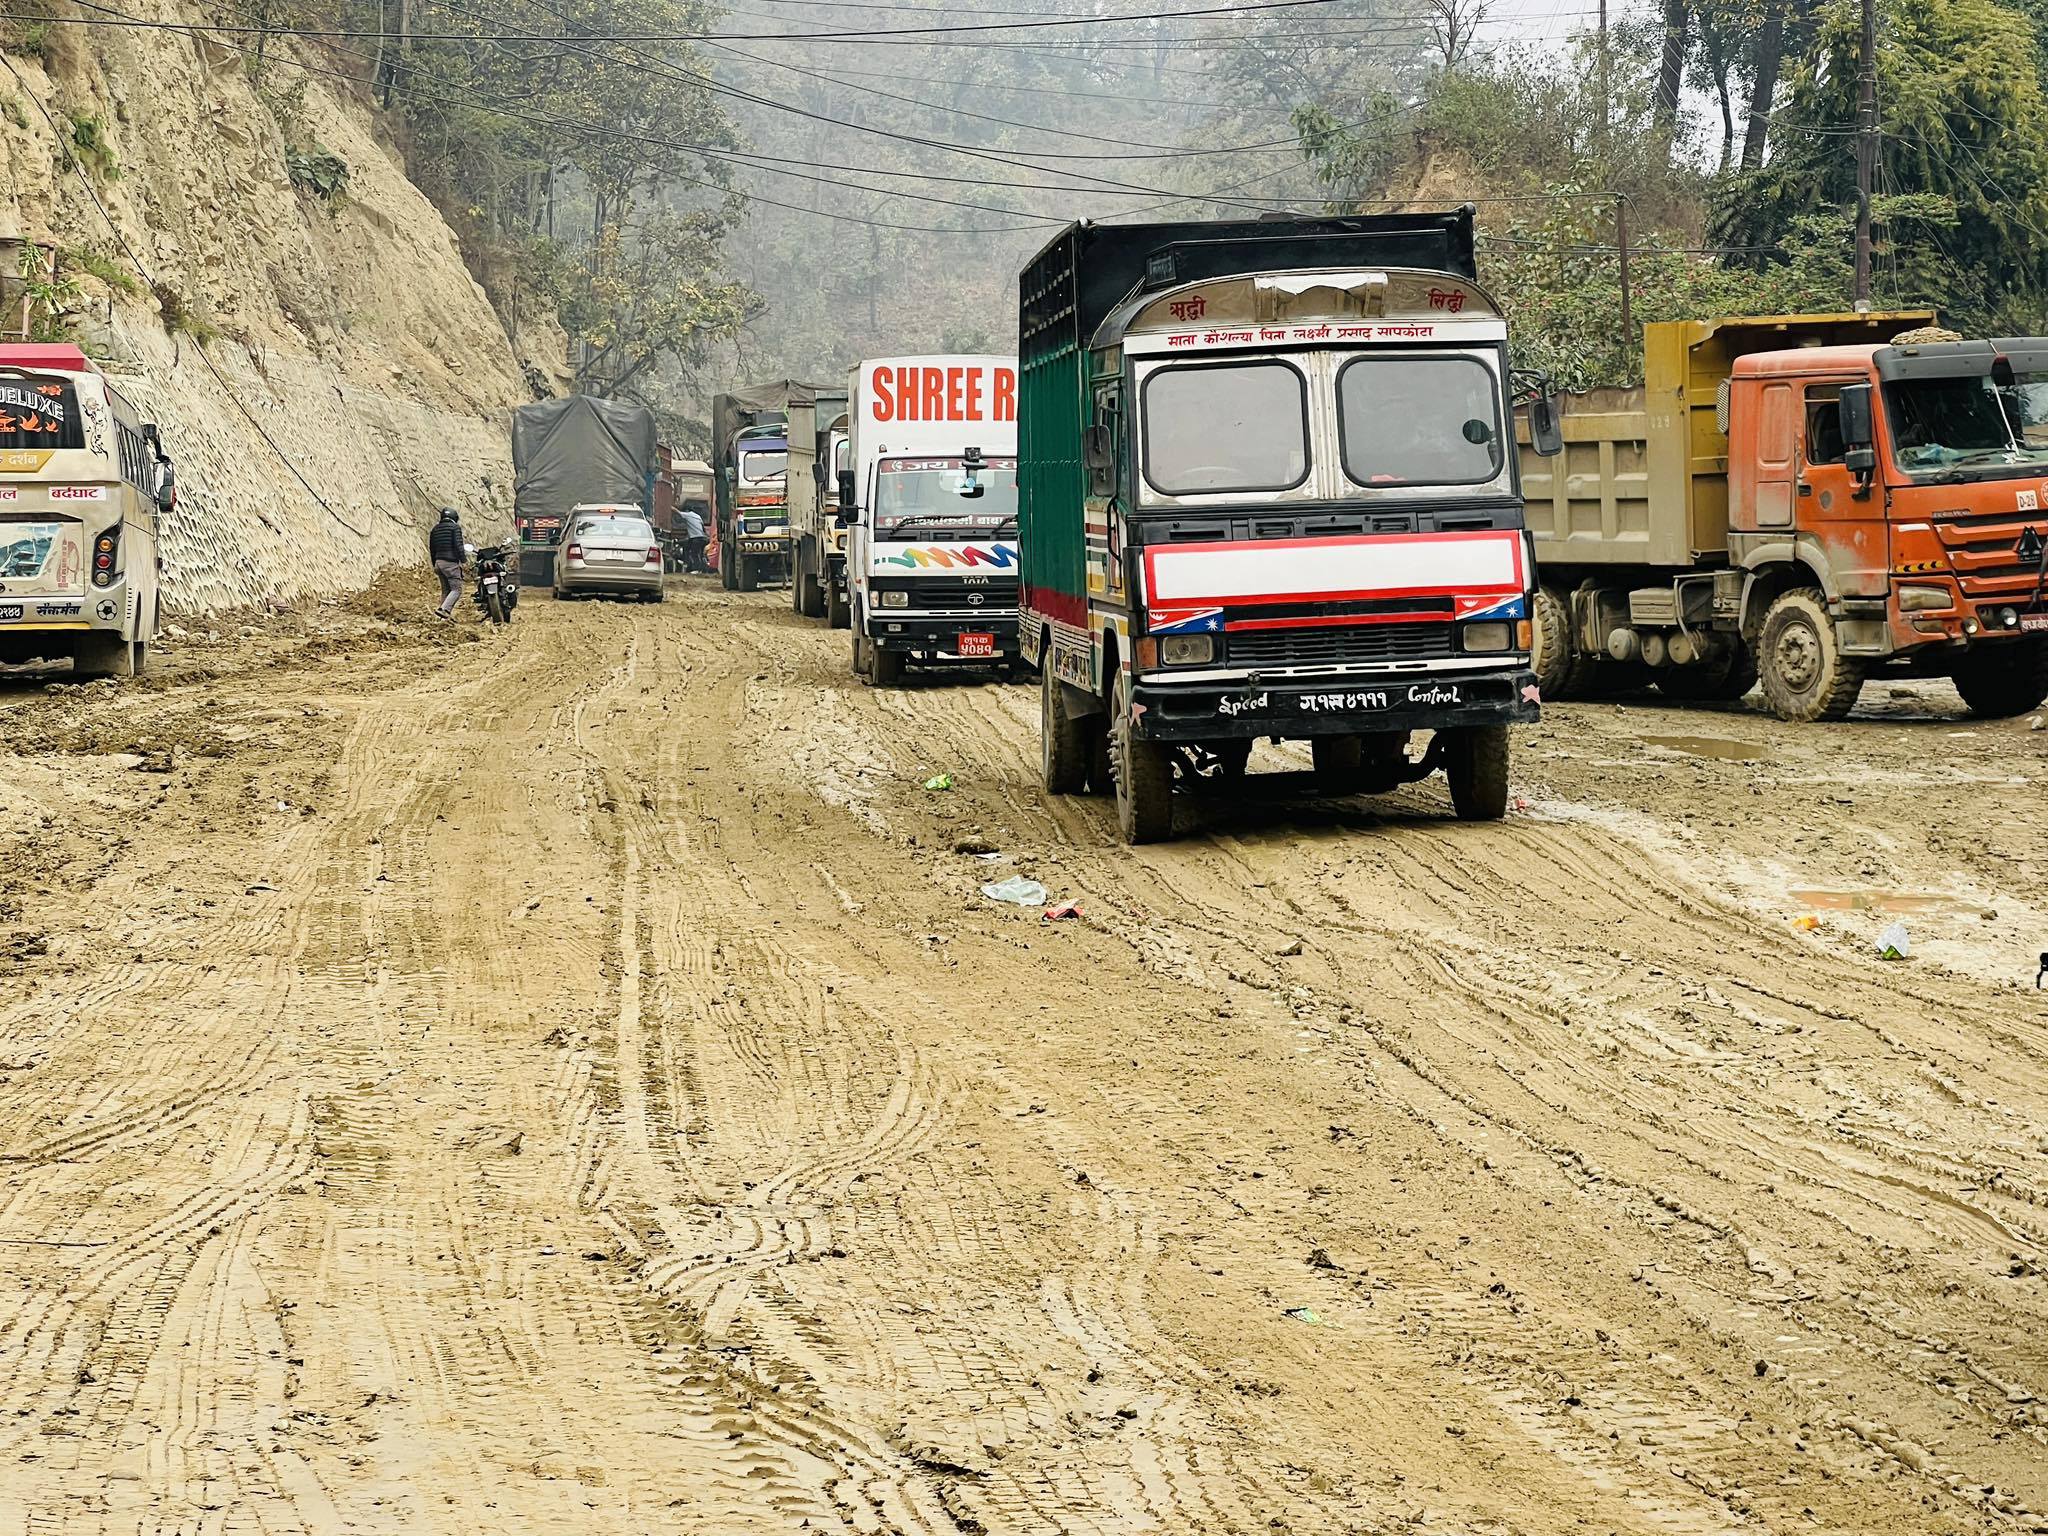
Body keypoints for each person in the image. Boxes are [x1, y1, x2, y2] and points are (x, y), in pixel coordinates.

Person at [430, 506, 465, 618]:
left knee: (446, 590)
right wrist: (463, 560)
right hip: (450, 563)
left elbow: (432, 548)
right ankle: (444, 610)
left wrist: (434, 563)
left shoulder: (435, 529)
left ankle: (441, 617)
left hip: (438, 563)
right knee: (456, 589)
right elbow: (458, 546)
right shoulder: (455, 528)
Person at [678, 504, 709, 573]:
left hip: (696, 538)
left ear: (686, 510)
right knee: (700, 554)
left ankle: (695, 568)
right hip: (703, 538)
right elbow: (703, 528)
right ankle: (702, 569)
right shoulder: (698, 516)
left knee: (694, 553)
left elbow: (677, 512)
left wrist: (669, 507)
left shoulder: (688, 514)